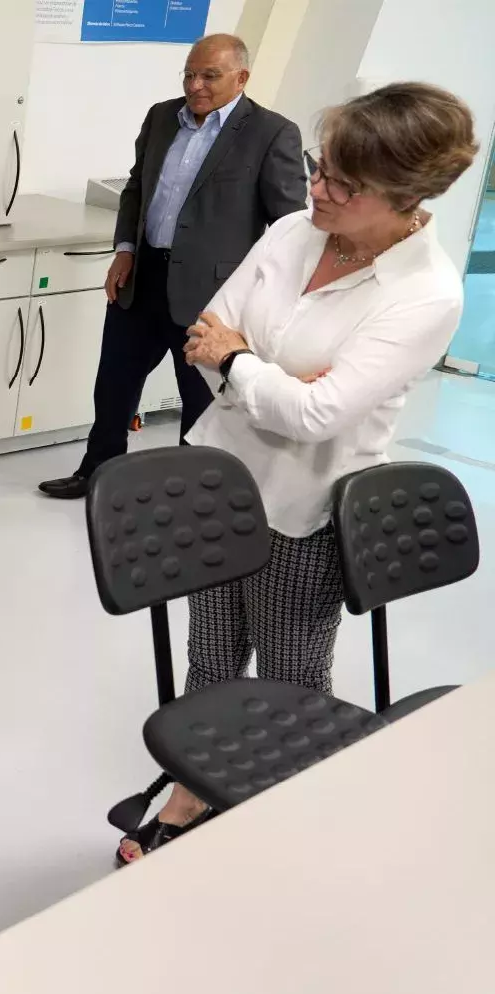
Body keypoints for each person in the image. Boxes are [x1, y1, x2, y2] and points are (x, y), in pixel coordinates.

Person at [118, 82, 476, 865]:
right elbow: (204, 331)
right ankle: (193, 790)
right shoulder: (290, 230)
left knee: (291, 673)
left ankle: (275, 822)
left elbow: (316, 416)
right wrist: (267, 378)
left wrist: (244, 359)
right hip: (217, 482)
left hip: (304, 508)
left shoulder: (426, 294)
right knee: (210, 655)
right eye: (322, 168)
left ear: (407, 196)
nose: (318, 188)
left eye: (344, 184)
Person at [40, 34, 305, 500]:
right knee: (114, 383)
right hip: (142, 277)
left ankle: (189, 493)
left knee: (200, 400)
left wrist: (261, 297)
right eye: (189, 73)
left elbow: (288, 226)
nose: (195, 84)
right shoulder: (162, 116)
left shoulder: (271, 133)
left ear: (241, 78)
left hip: (211, 296)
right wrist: (124, 249)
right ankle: (98, 472)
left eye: (209, 76)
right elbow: (136, 189)